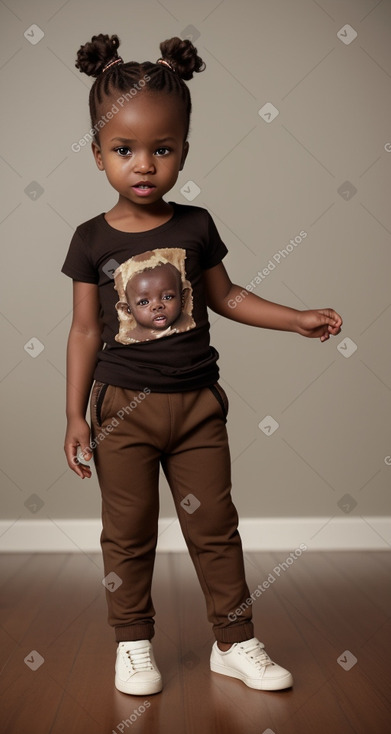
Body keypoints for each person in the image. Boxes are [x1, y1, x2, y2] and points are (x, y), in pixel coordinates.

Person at [62, 33, 342, 697]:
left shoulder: (194, 225)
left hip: (196, 409)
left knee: (215, 530)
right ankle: (133, 644)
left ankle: (235, 642)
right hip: (120, 412)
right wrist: (74, 414)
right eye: (124, 149)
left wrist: (294, 317)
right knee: (125, 535)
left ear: (183, 150)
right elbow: (82, 329)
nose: (145, 165)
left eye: (162, 149)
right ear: (97, 152)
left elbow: (228, 296)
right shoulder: (90, 240)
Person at [113, 249, 195, 344]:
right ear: (127, 310)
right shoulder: (128, 337)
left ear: (183, 298)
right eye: (144, 302)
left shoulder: (187, 325)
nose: (157, 306)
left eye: (167, 297)